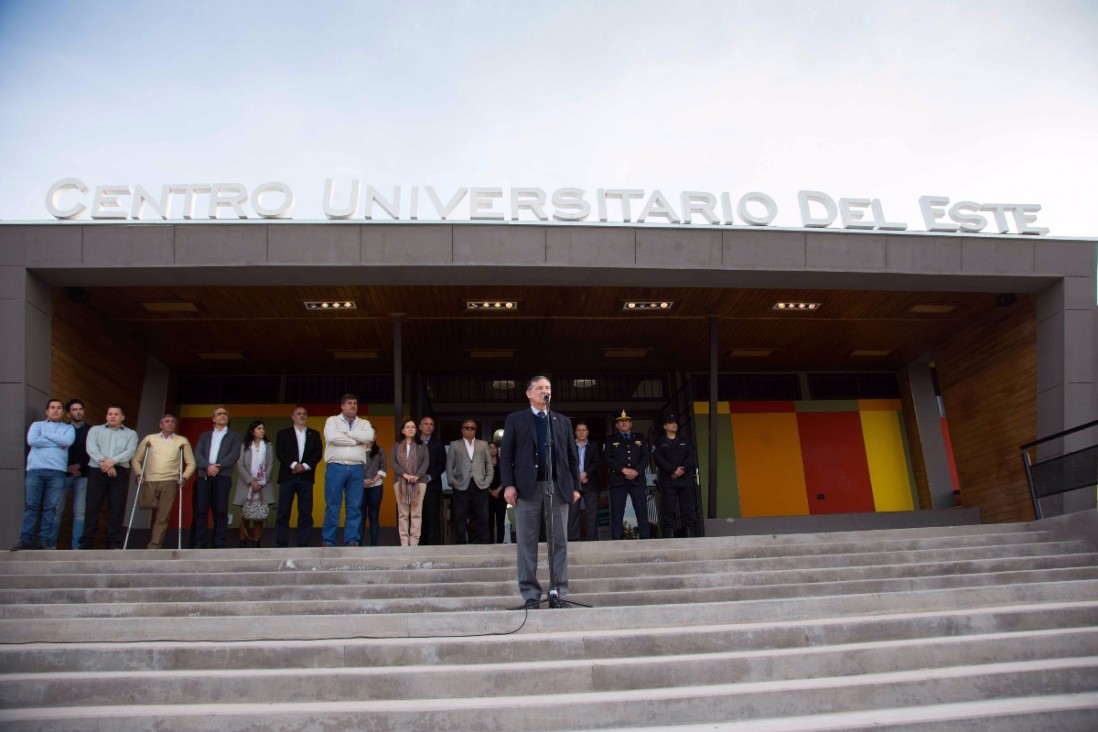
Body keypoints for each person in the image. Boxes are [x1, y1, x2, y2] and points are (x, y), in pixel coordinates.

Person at [501, 375, 580, 609]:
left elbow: (572, 457)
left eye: (548, 387)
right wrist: (509, 484)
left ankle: (558, 591)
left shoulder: (562, 421)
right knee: (527, 542)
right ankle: (531, 595)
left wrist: (575, 486)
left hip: (558, 486)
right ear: (528, 393)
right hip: (528, 488)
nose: (545, 391)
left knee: (559, 542)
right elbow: (506, 457)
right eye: (540, 388)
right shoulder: (516, 420)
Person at [12, 399, 75, 550]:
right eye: (52, 408)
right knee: (31, 506)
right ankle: (25, 539)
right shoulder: (37, 425)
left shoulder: (69, 428)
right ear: (47, 411)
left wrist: (46, 435)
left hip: (57, 472)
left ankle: (43, 540)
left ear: (63, 412)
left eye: (59, 408)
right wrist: (57, 442)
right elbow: (32, 440)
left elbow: (67, 442)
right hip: (36, 470)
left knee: (50, 507)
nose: (55, 410)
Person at [131, 414, 196, 550]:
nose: (170, 424)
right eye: (167, 421)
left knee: (163, 515)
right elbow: (136, 459)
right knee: (145, 503)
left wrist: (184, 477)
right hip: (150, 479)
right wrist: (138, 474)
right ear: (161, 425)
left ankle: (154, 545)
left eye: (173, 422)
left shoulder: (182, 441)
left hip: (170, 481)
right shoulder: (150, 439)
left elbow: (191, 463)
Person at [80, 404, 138, 550]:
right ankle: (87, 541)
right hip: (97, 470)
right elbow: (91, 448)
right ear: (106, 416)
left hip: (119, 473)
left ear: (122, 417)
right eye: (110, 414)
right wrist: (105, 464)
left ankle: (113, 543)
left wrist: (112, 462)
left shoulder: (131, 434)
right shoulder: (95, 430)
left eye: (116, 414)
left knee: (116, 508)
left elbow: (130, 451)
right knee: (92, 506)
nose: (112, 416)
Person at [322, 393, 375, 547]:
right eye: (350, 403)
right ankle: (329, 540)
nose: (353, 405)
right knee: (333, 505)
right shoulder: (332, 420)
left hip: (357, 468)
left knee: (355, 506)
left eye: (355, 403)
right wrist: (356, 441)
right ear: (342, 406)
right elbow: (332, 437)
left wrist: (346, 434)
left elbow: (369, 436)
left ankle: (352, 540)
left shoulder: (364, 423)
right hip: (335, 467)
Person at [192, 407, 242, 549]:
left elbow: (234, 454)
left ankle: (219, 543)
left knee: (220, 510)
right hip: (204, 476)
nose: (222, 416)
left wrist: (218, 467)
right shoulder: (205, 436)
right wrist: (208, 467)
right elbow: (198, 454)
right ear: (213, 419)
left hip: (223, 476)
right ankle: (200, 543)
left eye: (225, 414)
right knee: (201, 510)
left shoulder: (234, 436)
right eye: (219, 414)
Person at [274, 406, 322, 548]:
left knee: (306, 512)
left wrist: (304, 466)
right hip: (287, 477)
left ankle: (303, 543)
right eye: (299, 414)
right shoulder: (283, 433)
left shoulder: (314, 434)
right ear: (293, 417)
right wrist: (294, 465)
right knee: (283, 511)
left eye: (304, 414)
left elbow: (317, 453)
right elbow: (280, 452)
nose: (302, 416)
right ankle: (282, 543)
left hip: (306, 478)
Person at [604, 409, 651, 540]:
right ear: (616, 425)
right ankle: (617, 540)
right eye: (621, 421)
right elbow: (608, 458)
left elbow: (646, 457)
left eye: (626, 421)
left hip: (638, 480)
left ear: (631, 424)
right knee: (617, 512)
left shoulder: (640, 438)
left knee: (641, 511)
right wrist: (623, 470)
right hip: (618, 480)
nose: (624, 423)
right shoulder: (610, 440)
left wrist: (636, 471)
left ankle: (645, 539)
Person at [446, 419, 493, 544]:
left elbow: (489, 464)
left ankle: (484, 542)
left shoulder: (483, 444)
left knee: (482, 515)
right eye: (467, 427)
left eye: (472, 428)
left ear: (475, 430)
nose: (470, 430)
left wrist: (488, 481)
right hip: (461, 484)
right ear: (462, 429)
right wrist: (452, 481)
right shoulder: (455, 444)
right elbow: (449, 465)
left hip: (480, 484)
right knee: (460, 515)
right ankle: (460, 543)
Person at [653, 413, 698, 538]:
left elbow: (691, 457)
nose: (674, 425)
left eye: (675, 423)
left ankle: (690, 535)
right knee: (669, 509)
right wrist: (673, 470)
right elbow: (658, 459)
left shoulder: (685, 441)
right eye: (671, 423)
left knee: (688, 508)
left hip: (685, 480)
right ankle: (669, 536)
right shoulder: (659, 442)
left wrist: (680, 470)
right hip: (668, 480)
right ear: (665, 426)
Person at [54, 398, 91, 550]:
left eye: (80, 409)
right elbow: (56, 450)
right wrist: (67, 468)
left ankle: (77, 547)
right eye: (74, 410)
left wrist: (79, 466)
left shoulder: (91, 430)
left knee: (80, 512)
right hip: (63, 473)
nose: (78, 412)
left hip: (82, 475)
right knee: (57, 510)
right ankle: (50, 544)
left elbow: (91, 451)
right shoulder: (62, 429)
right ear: (68, 414)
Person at [234, 420, 275, 548]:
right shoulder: (244, 446)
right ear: (252, 431)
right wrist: (251, 481)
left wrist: (261, 482)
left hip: (263, 485)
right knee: (245, 515)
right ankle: (242, 543)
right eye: (259, 428)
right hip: (246, 485)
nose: (262, 430)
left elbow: (270, 465)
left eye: (263, 428)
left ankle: (257, 543)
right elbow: (240, 465)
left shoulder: (269, 446)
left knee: (259, 515)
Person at [391, 418, 428, 546]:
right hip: (400, 481)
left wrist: (416, 476)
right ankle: (404, 542)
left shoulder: (422, 445)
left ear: (416, 430)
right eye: (408, 427)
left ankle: (414, 542)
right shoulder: (397, 445)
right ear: (403, 430)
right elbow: (393, 463)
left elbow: (425, 463)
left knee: (416, 512)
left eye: (413, 427)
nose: (410, 429)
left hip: (419, 481)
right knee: (403, 513)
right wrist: (405, 475)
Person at [567, 420, 602, 541]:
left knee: (592, 514)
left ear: (588, 432)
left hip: (590, 483)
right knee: (572, 513)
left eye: (584, 430)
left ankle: (592, 539)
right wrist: (577, 476)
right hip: (573, 484)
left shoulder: (594, 445)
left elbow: (597, 462)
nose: (581, 432)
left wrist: (586, 474)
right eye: (579, 430)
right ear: (575, 432)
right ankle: (573, 539)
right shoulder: (569, 445)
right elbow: (566, 463)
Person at [417, 415, 446, 545]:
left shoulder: (438, 443)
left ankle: (434, 545)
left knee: (433, 517)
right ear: (420, 427)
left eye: (431, 424)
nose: (429, 426)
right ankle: (420, 544)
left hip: (432, 486)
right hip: (415, 485)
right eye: (426, 424)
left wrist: (429, 477)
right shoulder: (413, 442)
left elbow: (442, 464)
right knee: (418, 516)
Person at [362, 441, 387, 546]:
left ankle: (374, 545)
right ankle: (357, 545)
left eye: (374, 434)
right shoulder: (358, 450)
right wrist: (363, 480)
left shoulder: (380, 451)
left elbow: (383, 468)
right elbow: (355, 468)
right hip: (360, 486)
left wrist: (372, 480)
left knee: (374, 516)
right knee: (360, 515)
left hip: (376, 486)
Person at [486, 441, 507, 543]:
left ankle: (500, 543)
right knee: (489, 521)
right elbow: (482, 478)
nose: (493, 450)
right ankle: (490, 543)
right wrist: (490, 491)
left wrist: (498, 490)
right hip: (488, 496)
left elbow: (505, 478)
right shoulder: (484, 463)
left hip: (501, 495)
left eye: (495, 447)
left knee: (500, 521)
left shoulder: (502, 462)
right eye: (490, 448)